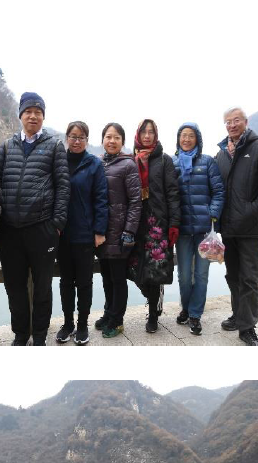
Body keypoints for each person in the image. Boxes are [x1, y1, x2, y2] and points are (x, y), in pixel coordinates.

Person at [0, 92, 70, 346]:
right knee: (14, 286)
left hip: (42, 229)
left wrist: (56, 224)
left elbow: (63, 186)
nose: (33, 116)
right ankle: (20, 333)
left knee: (42, 287)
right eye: (28, 111)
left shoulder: (54, 146)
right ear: (20, 115)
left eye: (38, 112)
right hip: (9, 231)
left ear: (43, 117)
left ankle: (39, 335)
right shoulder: (7, 146)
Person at [215, 107, 258, 346]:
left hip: (249, 228)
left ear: (246, 121)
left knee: (249, 279)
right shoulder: (221, 154)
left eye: (236, 120)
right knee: (233, 276)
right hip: (227, 228)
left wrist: (252, 210)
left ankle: (248, 328)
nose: (232, 125)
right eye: (228, 122)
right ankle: (238, 315)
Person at [55, 121, 108, 345]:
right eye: (73, 137)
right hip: (62, 233)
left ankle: (83, 324)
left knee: (84, 282)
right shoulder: (58, 161)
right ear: (66, 138)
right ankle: (68, 324)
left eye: (81, 137)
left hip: (85, 234)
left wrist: (99, 231)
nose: (76, 141)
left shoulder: (94, 164)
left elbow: (101, 199)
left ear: (87, 140)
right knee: (66, 282)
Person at [173, 122, 225, 336]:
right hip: (182, 229)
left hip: (204, 230)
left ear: (198, 139)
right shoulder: (173, 163)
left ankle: (195, 314)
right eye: (183, 135)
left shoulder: (207, 162)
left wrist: (212, 213)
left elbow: (219, 191)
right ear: (178, 139)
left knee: (201, 274)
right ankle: (186, 308)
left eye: (191, 136)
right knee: (184, 275)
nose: (186, 139)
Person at [131, 119, 180, 335]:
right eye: (144, 132)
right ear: (138, 135)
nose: (147, 136)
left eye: (151, 132)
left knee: (155, 270)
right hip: (135, 222)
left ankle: (153, 314)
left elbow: (173, 193)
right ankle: (153, 297)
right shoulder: (131, 159)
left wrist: (174, 223)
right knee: (135, 268)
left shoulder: (164, 160)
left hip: (157, 224)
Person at [94, 123, 142, 339]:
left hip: (120, 232)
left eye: (116, 137)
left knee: (118, 278)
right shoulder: (99, 163)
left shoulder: (128, 165)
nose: (112, 141)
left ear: (122, 141)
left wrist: (129, 231)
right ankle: (108, 313)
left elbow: (135, 202)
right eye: (108, 136)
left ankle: (117, 320)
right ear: (103, 139)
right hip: (102, 232)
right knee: (106, 276)